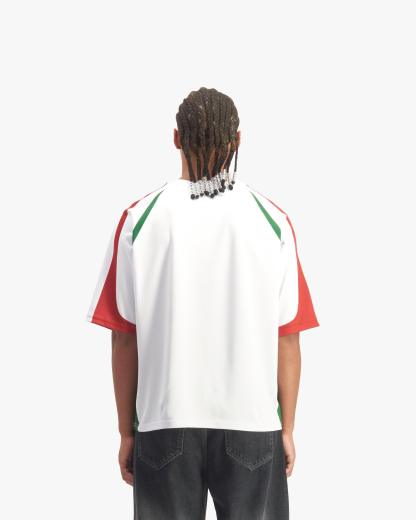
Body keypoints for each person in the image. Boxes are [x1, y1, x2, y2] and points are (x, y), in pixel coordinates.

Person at [86, 87, 320, 520]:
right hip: (252, 423)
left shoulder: (140, 218)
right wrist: (286, 429)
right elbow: (288, 337)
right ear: (238, 140)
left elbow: (123, 338)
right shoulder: (273, 220)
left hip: (165, 422)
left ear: (176, 138)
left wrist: (126, 432)